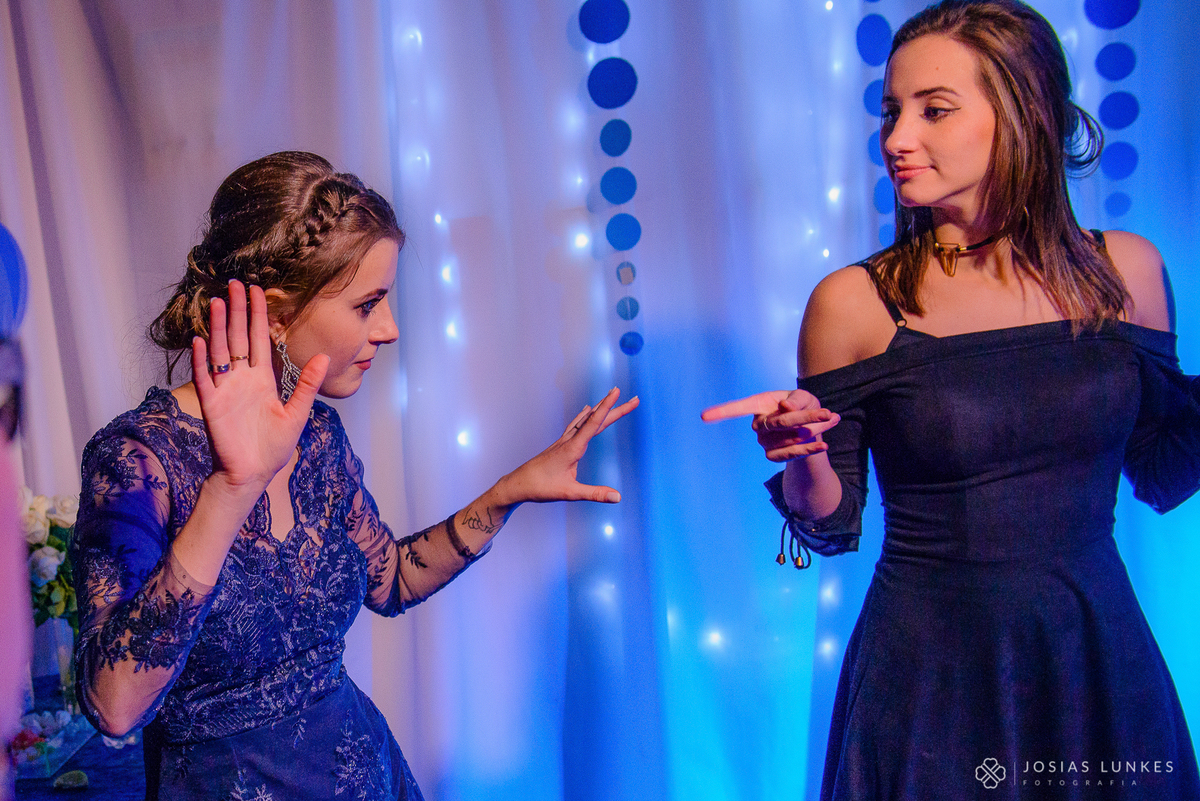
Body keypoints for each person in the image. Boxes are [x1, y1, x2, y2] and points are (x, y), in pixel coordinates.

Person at [703, 1, 1200, 798]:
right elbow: (831, 520)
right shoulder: (855, 303)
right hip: (931, 684)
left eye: (934, 109)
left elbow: (1162, 469)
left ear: (1023, 112)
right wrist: (801, 456)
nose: (898, 138)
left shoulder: (1126, 271)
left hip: (1096, 666)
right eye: (891, 111)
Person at [70, 151, 637, 800]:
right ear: (277, 314)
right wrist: (231, 490)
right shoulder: (135, 459)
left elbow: (391, 579)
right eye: (368, 304)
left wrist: (510, 492)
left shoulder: (317, 437)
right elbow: (112, 704)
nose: (390, 329)